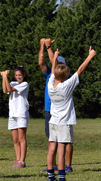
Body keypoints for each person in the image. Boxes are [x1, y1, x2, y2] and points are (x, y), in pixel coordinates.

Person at [46, 47, 96, 181]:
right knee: (61, 151)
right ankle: (61, 180)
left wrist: (55, 58)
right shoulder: (66, 86)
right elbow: (80, 70)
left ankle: (51, 179)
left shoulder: (50, 84)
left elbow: (52, 72)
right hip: (64, 122)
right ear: (66, 75)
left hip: (53, 121)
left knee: (51, 150)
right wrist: (90, 56)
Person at [39, 38, 74, 173]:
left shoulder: (67, 77)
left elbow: (53, 61)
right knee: (52, 140)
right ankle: (53, 166)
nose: (55, 63)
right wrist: (44, 46)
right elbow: (42, 62)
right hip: (50, 111)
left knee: (67, 141)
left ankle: (68, 165)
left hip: (64, 114)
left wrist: (48, 47)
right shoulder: (50, 75)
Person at [0, 67, 29, 168]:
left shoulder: (25, 84)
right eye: (16, 75)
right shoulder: (12, 82)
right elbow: (5, 90)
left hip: (21, 113)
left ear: (24, 75)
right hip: (12, 114)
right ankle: (18, 160)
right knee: (15, 140)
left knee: (22, 139)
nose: (18, 77)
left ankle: (22, 161)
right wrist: (4, 78)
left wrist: (5, 77)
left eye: (20, 75)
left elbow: (10, 89)